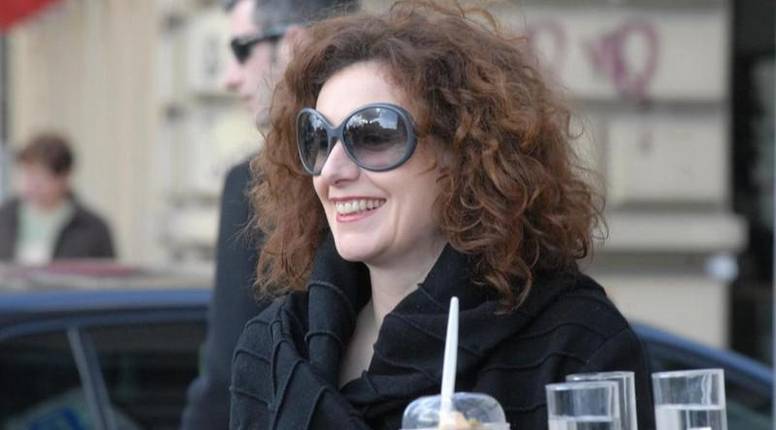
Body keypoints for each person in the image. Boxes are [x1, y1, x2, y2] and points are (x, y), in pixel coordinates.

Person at [230, 1, 657, 429]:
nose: (332, 171)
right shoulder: (275, 351)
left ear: (464, 152)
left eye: (374, 134)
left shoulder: (576, 343)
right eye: (318, 138)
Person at [180, 0, 356, 428]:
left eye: (242, 49)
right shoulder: (413, 173)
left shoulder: (256, 182)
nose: (230, 76)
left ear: (294, 43)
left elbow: (228, 376)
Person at [0, 133, 114, 263]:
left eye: (41, 177)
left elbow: (108, 273)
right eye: (28, 174)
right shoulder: (4, 217)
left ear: (64, 177)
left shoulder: (92, 229)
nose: (32, 185)